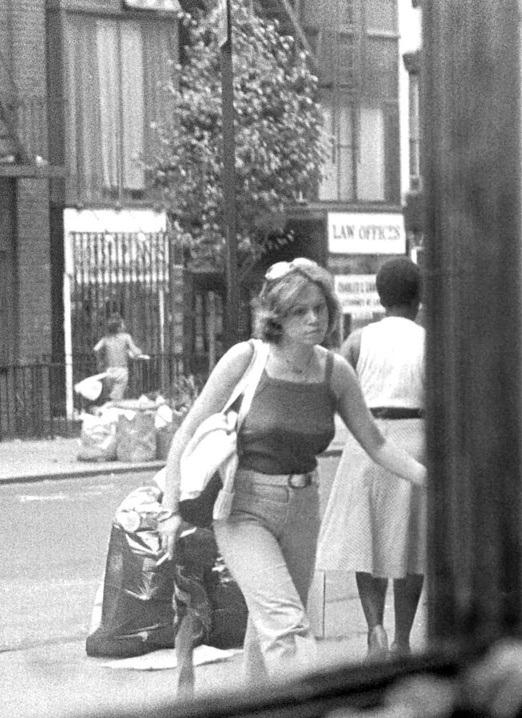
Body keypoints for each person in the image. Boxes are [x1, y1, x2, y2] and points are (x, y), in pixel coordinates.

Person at [156, 258, 427, 681]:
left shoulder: (335, 372)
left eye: (320, 308)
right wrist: (169, 512)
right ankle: (310, 714)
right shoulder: (245, 359)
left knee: (269, 630)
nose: (313, 318)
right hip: (243, 508)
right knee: (286, 627)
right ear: (276, 317)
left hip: (303, 507)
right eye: (300, 311)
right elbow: (185, 435)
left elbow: (376, 443)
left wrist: (431, 478)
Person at [316, 258, 427, 659]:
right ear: (419, 298)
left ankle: (374, 628)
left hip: (367, 441)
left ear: (380, 297)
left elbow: (333, 388)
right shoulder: (428, 340)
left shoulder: (358, 341)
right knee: (410, 547)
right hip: (414, 440)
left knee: (369, 542)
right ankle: (401, 639)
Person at [93, 315, 149, 402]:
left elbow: (96, 349)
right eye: (122, 324)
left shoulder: (106, 339)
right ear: (118, 327)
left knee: (112, 395)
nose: (124, 325)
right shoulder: (126, 337)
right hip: (121, 371)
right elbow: (136, 352)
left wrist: (101, 360)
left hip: (109, 371)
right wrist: (139, 351)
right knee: (116, 399)